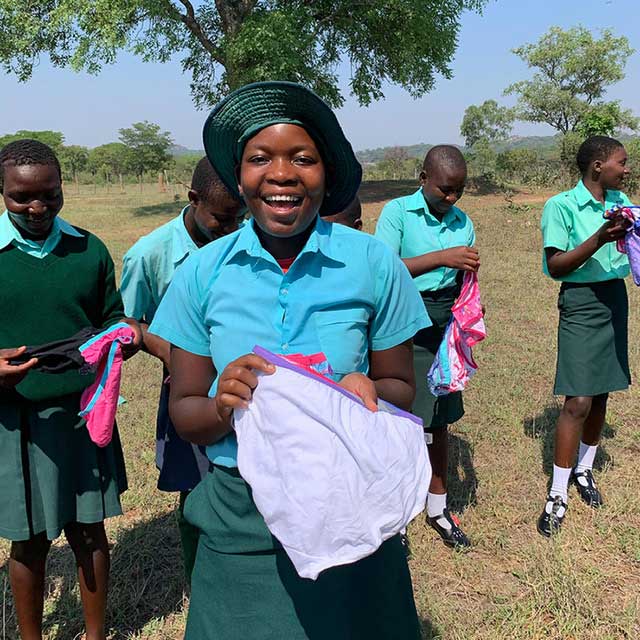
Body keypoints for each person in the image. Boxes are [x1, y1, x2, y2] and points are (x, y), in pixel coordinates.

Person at [148, 81, 430, 639]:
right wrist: (223, 403)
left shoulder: (374, 263)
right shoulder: (203, 274)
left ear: (326, 173)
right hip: (239, 512)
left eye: (303, 158)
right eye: (260, 159)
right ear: (239, 175)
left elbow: (403, 386)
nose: (281, 174)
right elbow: (186, 414)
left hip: (349, 504)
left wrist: (366, 388)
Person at [0, 139, 141, 640]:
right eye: (22, 198)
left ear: (63, 189)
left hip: (84, 413)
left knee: (89, 530)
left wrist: (120, 340)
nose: (37, 208)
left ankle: (97, 634)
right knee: (30, 540)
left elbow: (110, 318)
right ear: (2, 192)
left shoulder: (88, 249)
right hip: (16, 420)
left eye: (50, 195)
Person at [120, 156, 244, 581]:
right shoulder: (149, 255)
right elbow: (125, 325)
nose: (231, 229)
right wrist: (168, 350)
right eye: (222, 219)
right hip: (189, 388)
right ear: (193, 200)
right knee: (197, 490)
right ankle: (200, 581)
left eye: (239, 218)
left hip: (246, 384)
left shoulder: (246, 242)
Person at [375, 145, 478, 549]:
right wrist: (441, 257)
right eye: (445, 190)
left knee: (439, 418)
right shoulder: (398, 213)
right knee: (400, 419)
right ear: (423, 179)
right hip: (402, 321)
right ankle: (396, 515)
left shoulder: (462, 222)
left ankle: (437, 506)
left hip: (444, 321)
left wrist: (469, 305)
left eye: (459, 190)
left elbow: (464, 277)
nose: (451, 199)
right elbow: (384, 269)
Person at [537, 135, 632, 537]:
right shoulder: (561, 206)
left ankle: (585, 470)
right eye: (620, 162)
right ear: (597, 166)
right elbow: (557, 265)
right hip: (580, 301)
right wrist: (598, 238)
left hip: (614, 298)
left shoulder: (621, 202)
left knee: (602, 393)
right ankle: (557, 494)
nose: (626, 169)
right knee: (578, 399)